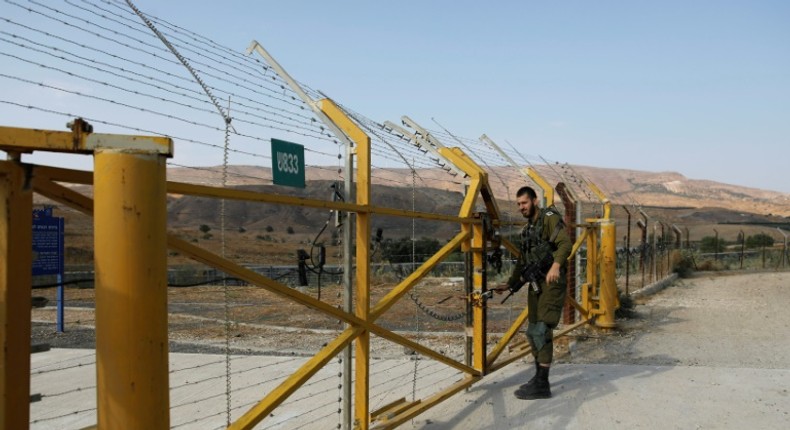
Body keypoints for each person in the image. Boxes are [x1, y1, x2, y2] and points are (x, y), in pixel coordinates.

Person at [494, 185, 571, 399]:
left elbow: (565, 244)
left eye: (525, 203)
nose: (521, 207)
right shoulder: (527, 230)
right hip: (536, 283)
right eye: (518, 204)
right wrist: (510, 284)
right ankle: (539, 376)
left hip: (551, 281)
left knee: (542, 330)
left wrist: (555, 266)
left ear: (535, 201)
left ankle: (543, 384)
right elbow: (522, 261)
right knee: (532, 331)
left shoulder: (548, 218)